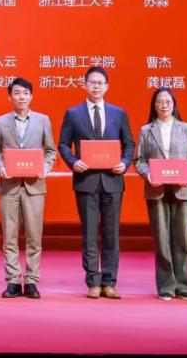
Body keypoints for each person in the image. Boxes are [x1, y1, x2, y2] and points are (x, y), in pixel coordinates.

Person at [58, 66, 135, 299]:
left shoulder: (118, 113)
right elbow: (63, 144)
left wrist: (124, 163)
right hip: (86, 181)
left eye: (100, 83)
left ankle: (109, 282)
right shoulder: (73, 114)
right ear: (85, 85)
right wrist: (73, 162)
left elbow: (129, 144)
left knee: (111, 233)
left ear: (107, 86)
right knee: (90, 233)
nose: (96, 86)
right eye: (92, 82)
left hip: (112, 180)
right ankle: (93, 281)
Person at [0, 77, 58, 299]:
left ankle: (31, 281)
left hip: (34, 186)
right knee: (9, 237)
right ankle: (12, 281)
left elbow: (50, 151)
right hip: (9, 186)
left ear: (31, 96)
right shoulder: (1, 122)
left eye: (26, 93)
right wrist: (0, 168)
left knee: (34, 237)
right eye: (17, 93)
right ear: (10, 96)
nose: (21, 97)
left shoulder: (42, 120)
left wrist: (45, 168)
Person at [134, 87, 187, 301]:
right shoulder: (146, 130)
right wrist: (149, 175)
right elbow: (139, 160)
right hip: (157, 189)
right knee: (162, 239)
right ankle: (166, 285)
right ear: (154, 105)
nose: (164, 105)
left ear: (174, 105)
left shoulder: (185, 128)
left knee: (182, 239)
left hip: (182, 189)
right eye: (160, 101)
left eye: (168, 102)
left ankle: (183, 285)